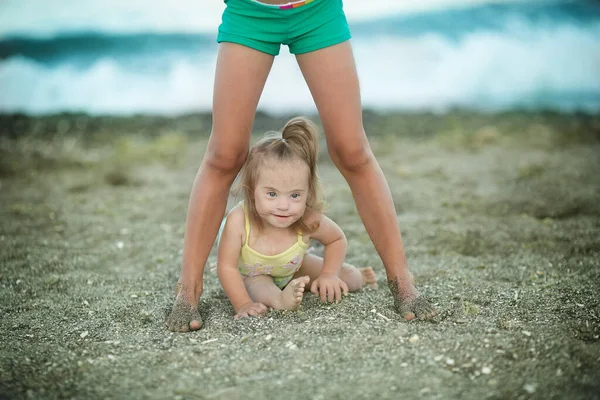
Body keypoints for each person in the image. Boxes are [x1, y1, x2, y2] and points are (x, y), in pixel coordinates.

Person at [166, 0, 437, 331]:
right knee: (224, 155)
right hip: (250, 10)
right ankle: (188, 290)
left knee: (352, 151)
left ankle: (402, 280)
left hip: (317, 9)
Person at [217, 117, 377, 318]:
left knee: (349, 278)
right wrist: (243, 304)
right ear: (252, 191)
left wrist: (329, 274)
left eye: (294, 195)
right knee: (260, 287)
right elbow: (227, 266)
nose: (283, 206)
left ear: (307, 192)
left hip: (295, 268)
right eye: (272, 194)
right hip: (253, 277)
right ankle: (280, 300)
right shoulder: (239, 221)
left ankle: (361, 276)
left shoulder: (307, 219)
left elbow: (336, 239)